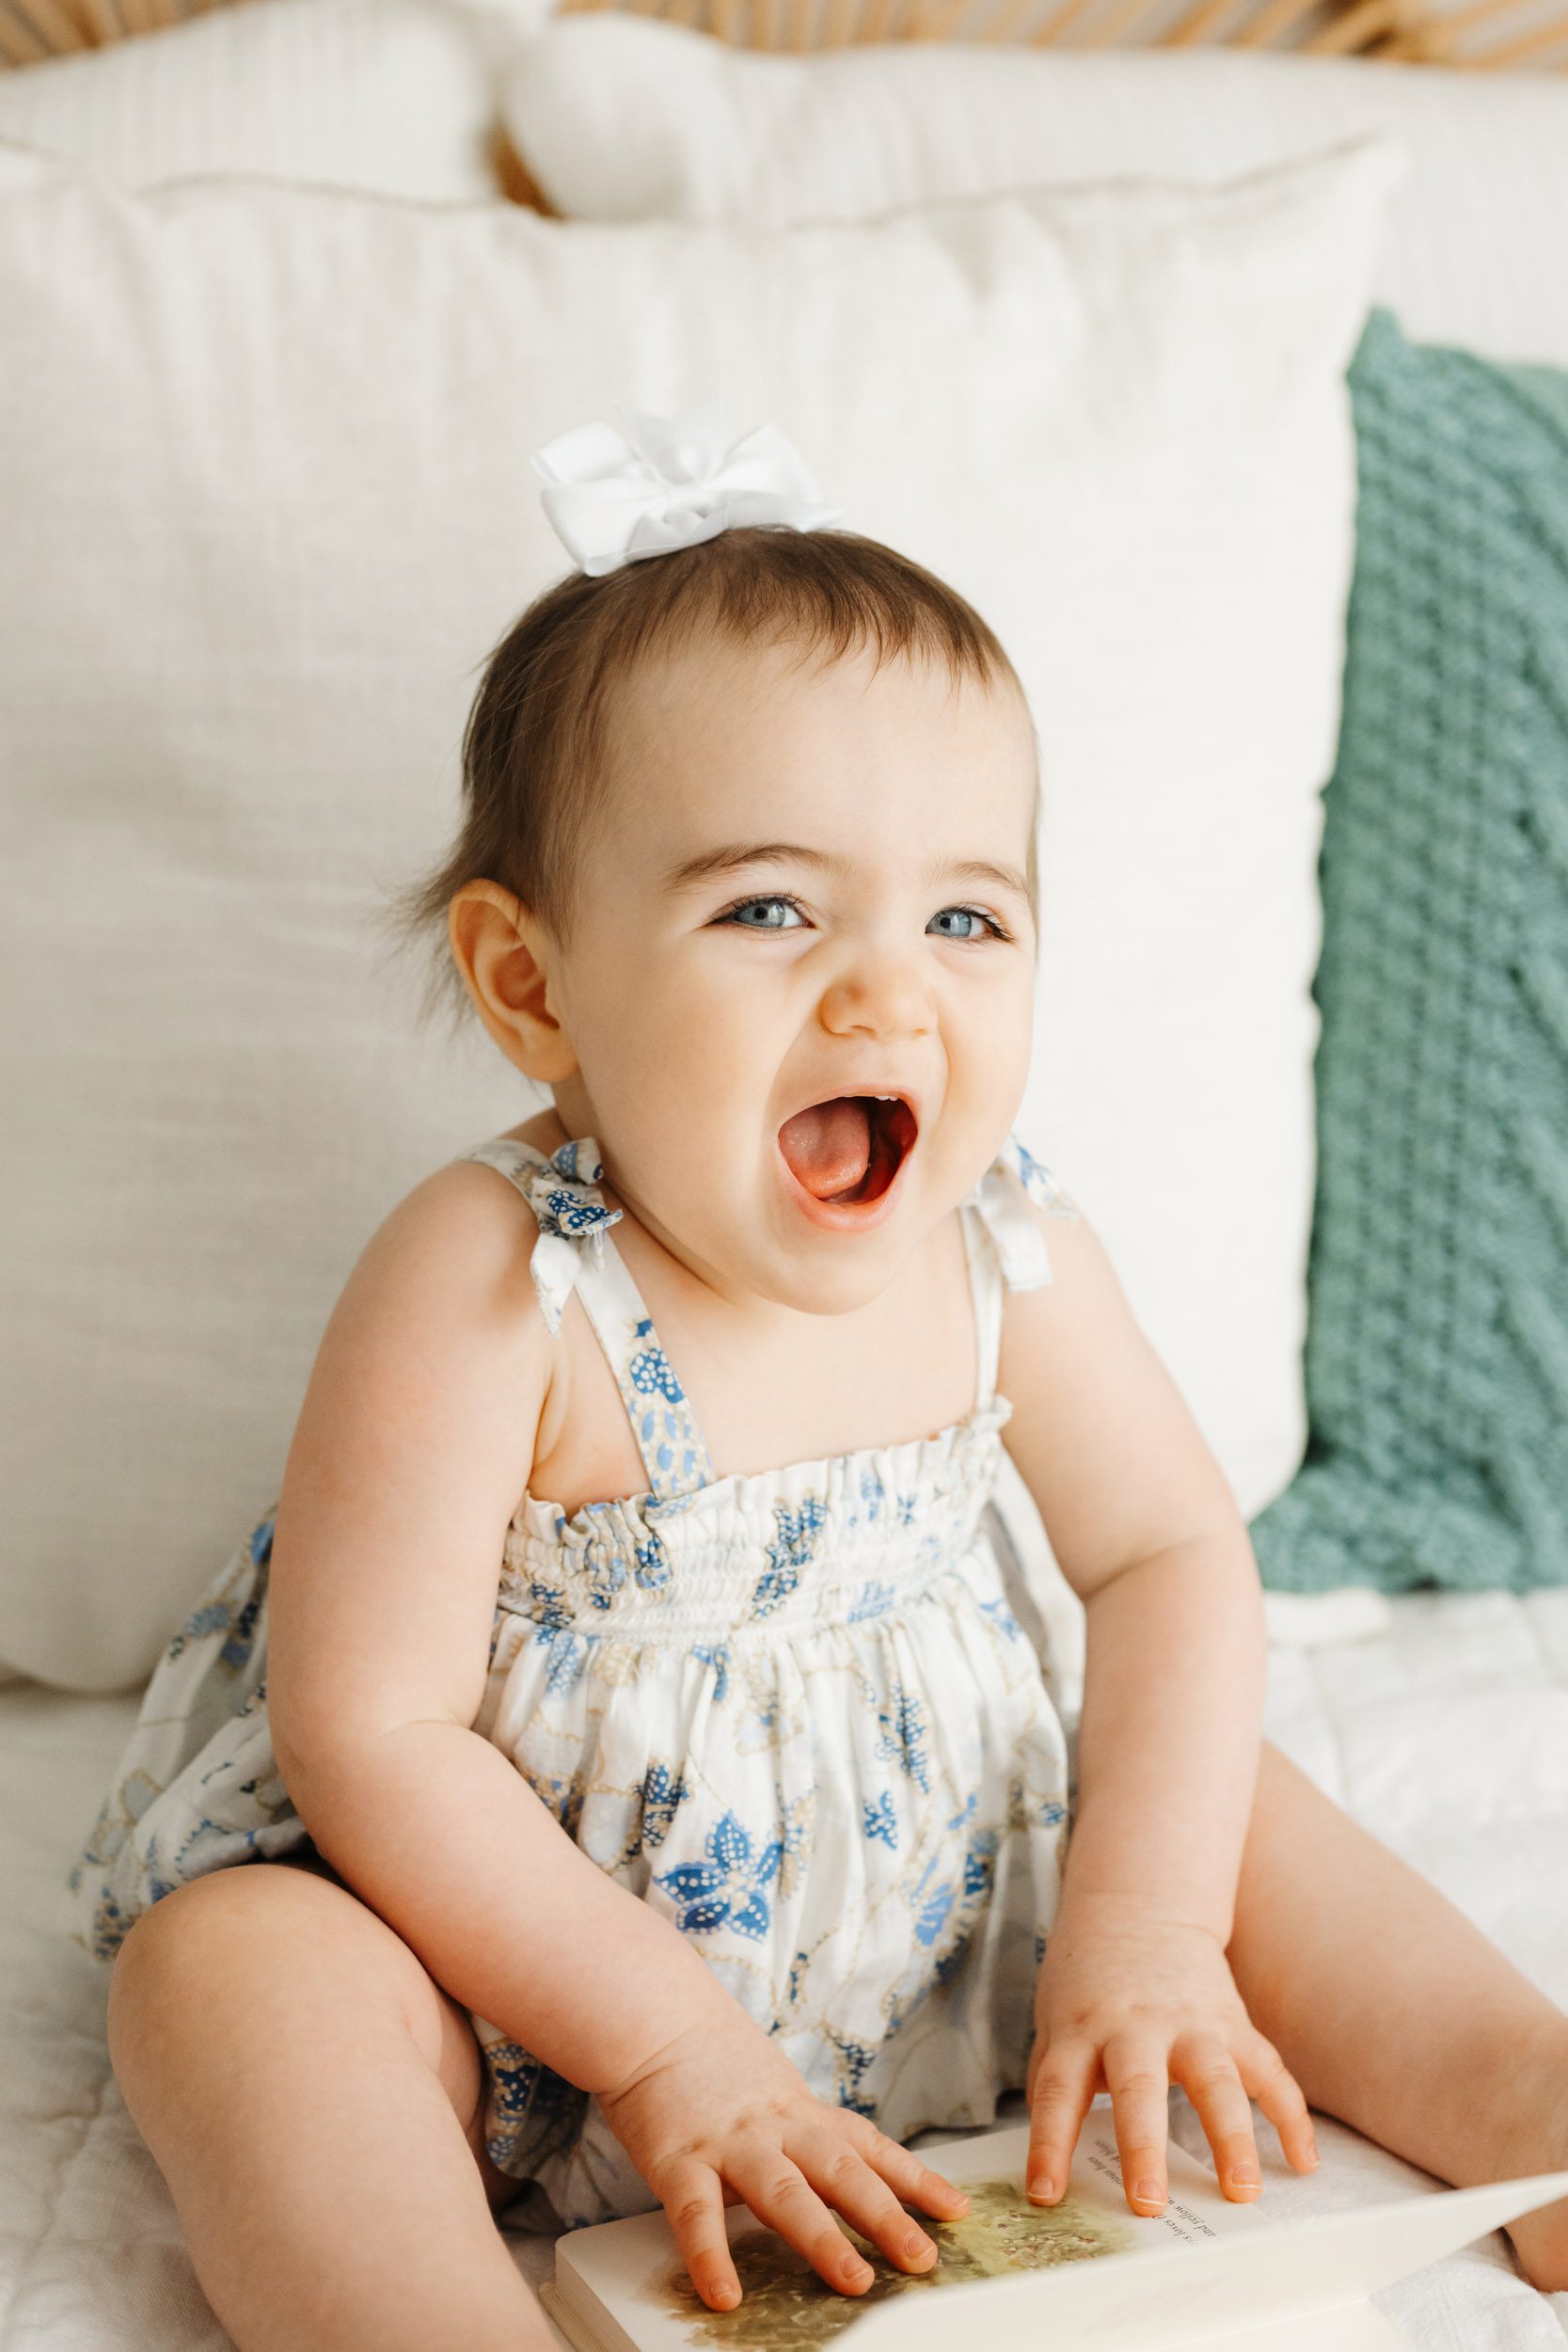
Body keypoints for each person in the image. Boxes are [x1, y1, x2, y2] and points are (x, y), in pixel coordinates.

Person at [65, 404, 1568, 2352]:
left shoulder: (1005, 1246)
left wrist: (1144, 1929)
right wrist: (665, 2047)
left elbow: (1171, 1558)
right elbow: (372, 1733)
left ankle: (1527, 2099)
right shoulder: (498, 1280)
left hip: (945, 1911)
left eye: (966, 917)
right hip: (522, 1980)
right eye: (769, 908)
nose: (889, 990)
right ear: (532, 985)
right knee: (233, 1976)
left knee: (1218, 1798)